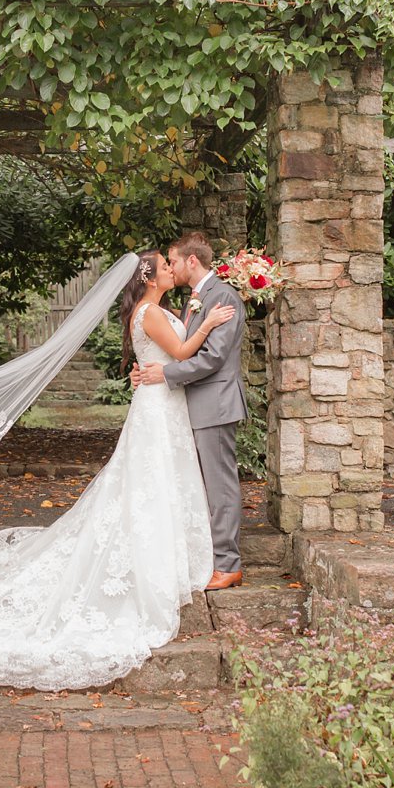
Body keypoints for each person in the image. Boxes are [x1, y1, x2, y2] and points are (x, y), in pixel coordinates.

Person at [0, 249, 237, 690]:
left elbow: (168, 359)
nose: (170, 269)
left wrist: (157, 366)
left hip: (164, 403)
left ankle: (171, 552)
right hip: (159, 408)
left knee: (155, 482)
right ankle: (153, 561)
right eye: (164, 265)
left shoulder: (156, 309)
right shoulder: (151, 311)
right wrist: (208, 325)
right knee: (149, 481)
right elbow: (180, 350)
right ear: (149, 277)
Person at [130, 231, 248, 589]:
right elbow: (179, 347)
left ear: (191, 261)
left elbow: (212, 358)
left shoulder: (222, 296)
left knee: (220, 485)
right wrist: (146, 368)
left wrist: (164, 373)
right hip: (190, 404)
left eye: (175, 261)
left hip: (214, 402)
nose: (173, 268)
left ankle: (228, 565)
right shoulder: (194, 299)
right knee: (200, 485)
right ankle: (210, 557)